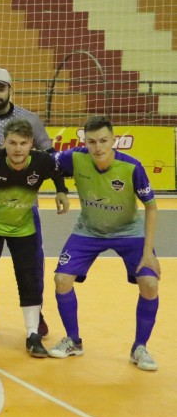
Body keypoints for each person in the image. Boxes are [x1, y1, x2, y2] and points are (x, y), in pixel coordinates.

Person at [49, 117, 161, 371]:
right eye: (91, 142)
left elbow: (152, 208)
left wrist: (148, 253)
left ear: (113, 140)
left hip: (129, 232)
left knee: (150, 284)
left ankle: (140, 347)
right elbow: (49, 165)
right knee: (61, 280)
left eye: (103, 141)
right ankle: (73, 340)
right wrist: (60, 190)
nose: (98, 147)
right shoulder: (74, 158)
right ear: (84, 141)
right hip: (89, 230)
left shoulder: (132, 167)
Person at [0, 119, 69, 358]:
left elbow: (57, 170)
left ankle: (33, 335)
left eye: (23, 143)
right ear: (4, 143)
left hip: (22, 226)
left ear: (31, 144)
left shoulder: (42, 161)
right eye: (12, 142)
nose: (18, 148)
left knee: (29, 278)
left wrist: (61, 190)